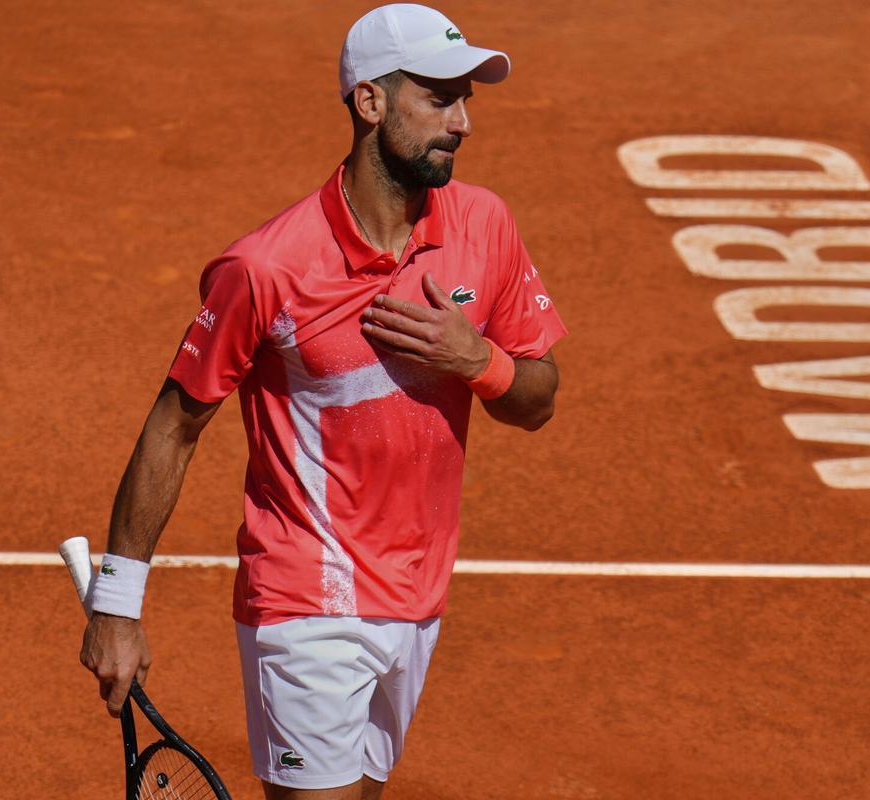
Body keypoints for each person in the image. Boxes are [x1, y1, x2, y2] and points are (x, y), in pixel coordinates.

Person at [78, 4, 567, 797]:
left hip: (418, 592)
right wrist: (116, 607)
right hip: (307, 596)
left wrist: (479, 361)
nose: (464, 121)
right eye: (439, 97)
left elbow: (539, 399)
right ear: (369, 102)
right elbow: (174, 426)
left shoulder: (485, 224)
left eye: (466, 98)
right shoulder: (267, 269)